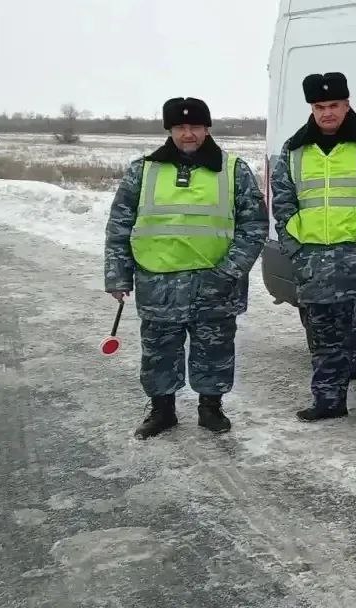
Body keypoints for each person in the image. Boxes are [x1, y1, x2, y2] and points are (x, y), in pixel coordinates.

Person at [103, 97, 267, 439]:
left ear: (207, 129)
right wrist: (117, 274)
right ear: (170, 130)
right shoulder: (143, 170)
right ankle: (162, 411)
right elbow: (119, 225)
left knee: (216, 351)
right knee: (158, 352)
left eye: (195, 127)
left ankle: (211, 408)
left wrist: (229, 271)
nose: (187, 134)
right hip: (157, 283)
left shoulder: (233, 170)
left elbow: (254, 227)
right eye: (180, 127)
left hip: (216, 284)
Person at [271, 72, 356, 434]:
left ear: (347, 104)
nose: (327, 112)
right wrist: (295, 249)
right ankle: (329, 402)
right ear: (311, 109)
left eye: (334, 105)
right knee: (323, 339)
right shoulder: (294, 150)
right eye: (320, 107)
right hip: (314, 262)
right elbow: (283, 205)